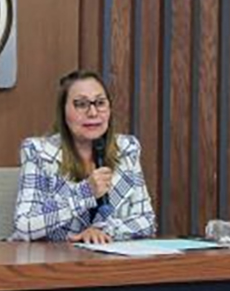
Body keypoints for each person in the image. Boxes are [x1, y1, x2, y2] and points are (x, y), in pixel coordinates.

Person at [11, 70, 156, 243]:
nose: (93, 112)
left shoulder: (126, 149)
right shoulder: (39, 152)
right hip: (55, 256)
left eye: (100, 103)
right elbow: (24, 225)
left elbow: (147, 221)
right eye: (81, 104)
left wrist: (102, 231)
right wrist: (85, 193)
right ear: (63, 112)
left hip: (111, 257)